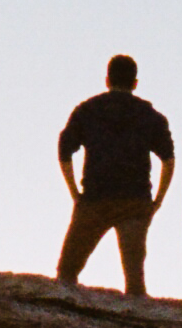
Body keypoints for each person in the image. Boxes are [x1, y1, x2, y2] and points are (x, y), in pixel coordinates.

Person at [56, 54, 175, 295]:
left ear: (107, 79)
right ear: (135, 83)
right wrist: (157, 201)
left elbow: (64, 149)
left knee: (66, 273)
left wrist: (75, 194)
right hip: (135, 200)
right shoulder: (150, 115)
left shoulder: (87, 110)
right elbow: (169, 159)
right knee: (134, 281)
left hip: (95, 199)